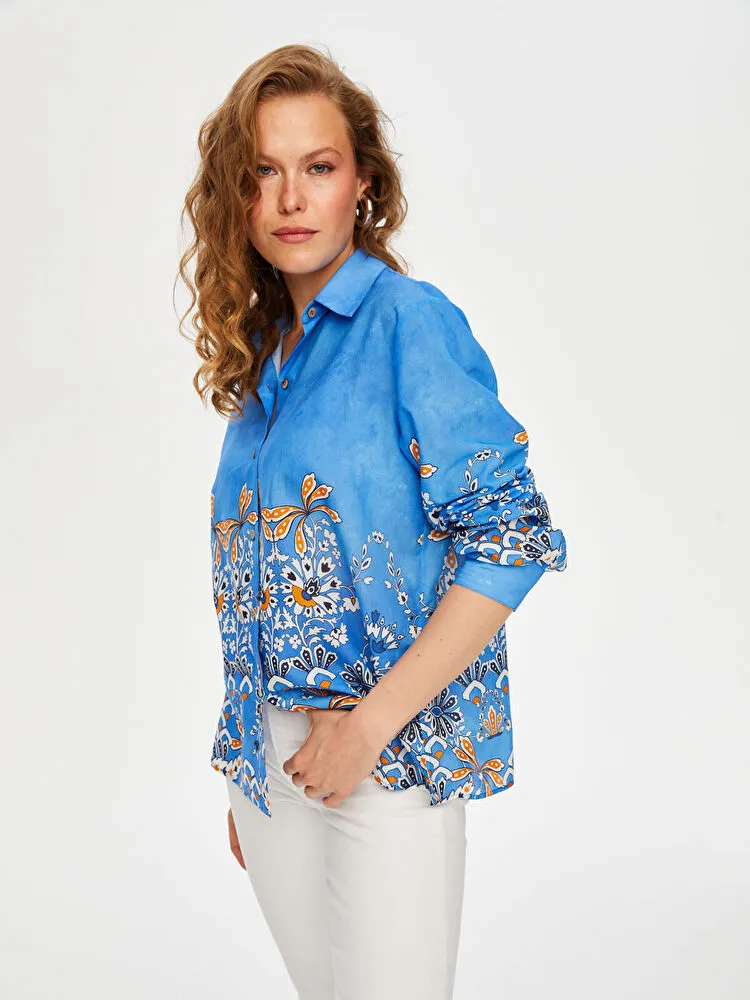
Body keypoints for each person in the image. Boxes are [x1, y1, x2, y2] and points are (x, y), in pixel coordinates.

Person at [176, 42, 567, 1000]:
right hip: (269, 766)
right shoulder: (264, 356)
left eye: (318, 167)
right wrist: (254, 754)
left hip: (387, 754)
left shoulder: (407, 322)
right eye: (262, 173)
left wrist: (368, 730)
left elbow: (510, 538)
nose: (290, 198)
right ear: (236, 198)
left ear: (363, 184)